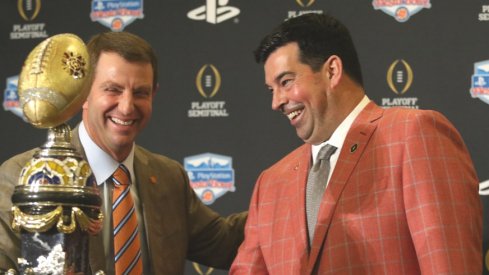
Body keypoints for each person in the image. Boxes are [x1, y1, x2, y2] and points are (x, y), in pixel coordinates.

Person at [230, 13, 482, 274]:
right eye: (272, 90)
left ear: (332, 71)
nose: (277, 102)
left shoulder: (413, 134)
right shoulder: (270, 184)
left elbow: (449, 265)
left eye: (286, 82)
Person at [0, 31, 247, 274]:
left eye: (140, 92)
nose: (127, 106)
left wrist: (283, 185)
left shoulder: (169, 178)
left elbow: (224, 243)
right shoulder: (22, 176)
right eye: (113, 89)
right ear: (83, 94)